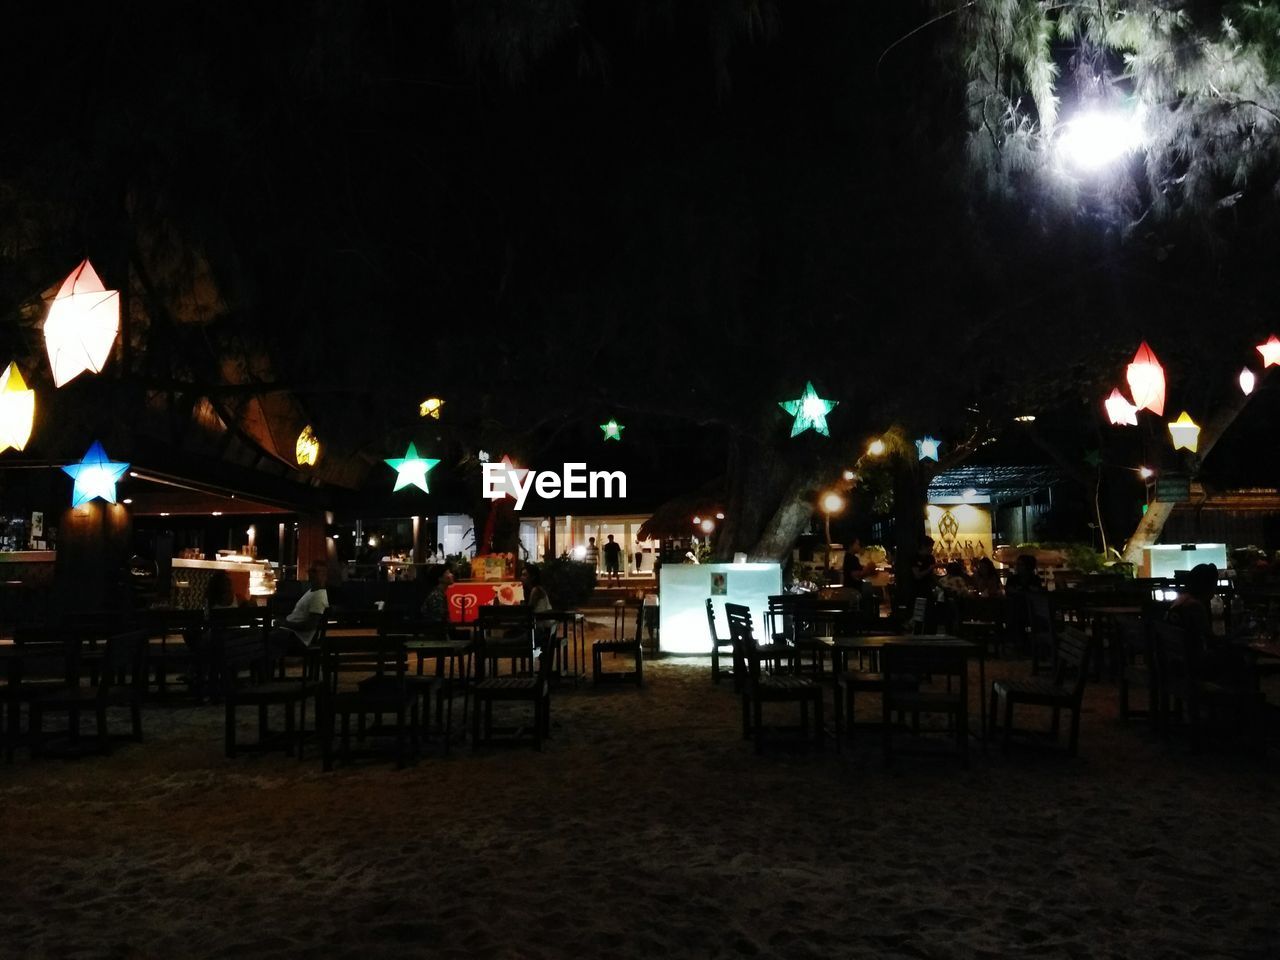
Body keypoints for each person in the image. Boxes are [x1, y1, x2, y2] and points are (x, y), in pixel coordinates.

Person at [269, 562, 329, 655]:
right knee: (263, 639)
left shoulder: (318, 596)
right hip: (293, 634)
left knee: (263, 640)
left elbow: (309, 625)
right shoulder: (312, 591)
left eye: (314, 571)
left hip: (297, 638)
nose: (310, 573)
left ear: (324, 575)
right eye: (310, 570)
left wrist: (285, 623)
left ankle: (265, 667)